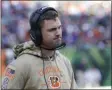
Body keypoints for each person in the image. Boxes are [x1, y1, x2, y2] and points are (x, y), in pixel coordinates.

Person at [1, 6, 77, 89]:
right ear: (37, 34)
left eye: (59, 27)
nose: (58, 33)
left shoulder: (65, 62)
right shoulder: (20, 66)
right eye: (52, 29)